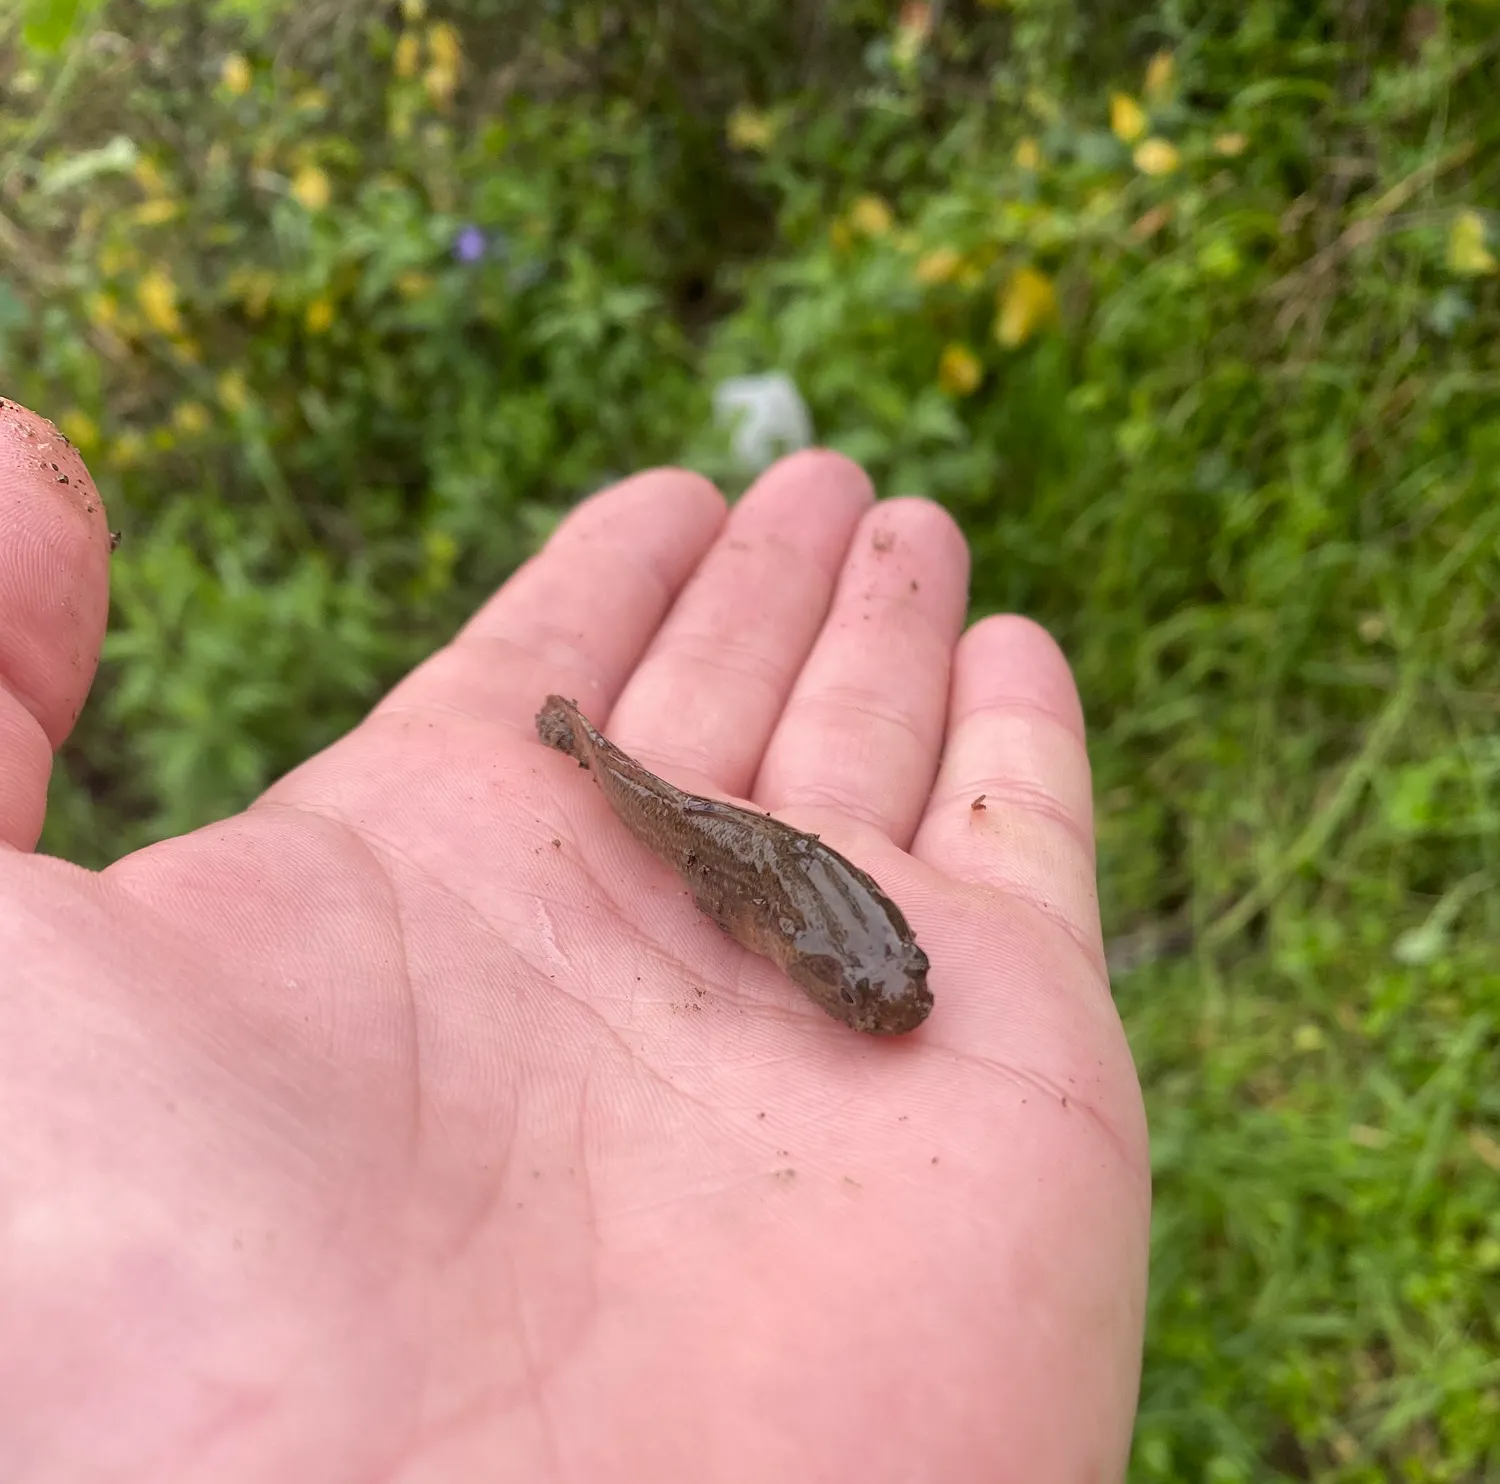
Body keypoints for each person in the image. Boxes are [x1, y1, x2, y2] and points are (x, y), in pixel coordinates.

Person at [0, 396, 1149, 1482]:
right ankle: (578, 740)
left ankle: (585, 743)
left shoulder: (838, 934)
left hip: (771, 866)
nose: (895, 1006)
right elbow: (760, 895)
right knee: (669, 822)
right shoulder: (761, 906)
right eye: (863, 989)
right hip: (734, 851)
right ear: (807, 959)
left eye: (895, 982)